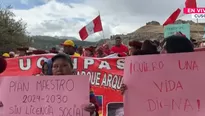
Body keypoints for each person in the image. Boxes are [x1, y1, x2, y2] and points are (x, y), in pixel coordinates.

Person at [120, 35, 194, 95]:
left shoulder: (196, 78)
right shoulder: (153, 73)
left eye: (164, 49)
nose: (161, 52)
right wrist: (129, 91)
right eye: (160, 49)